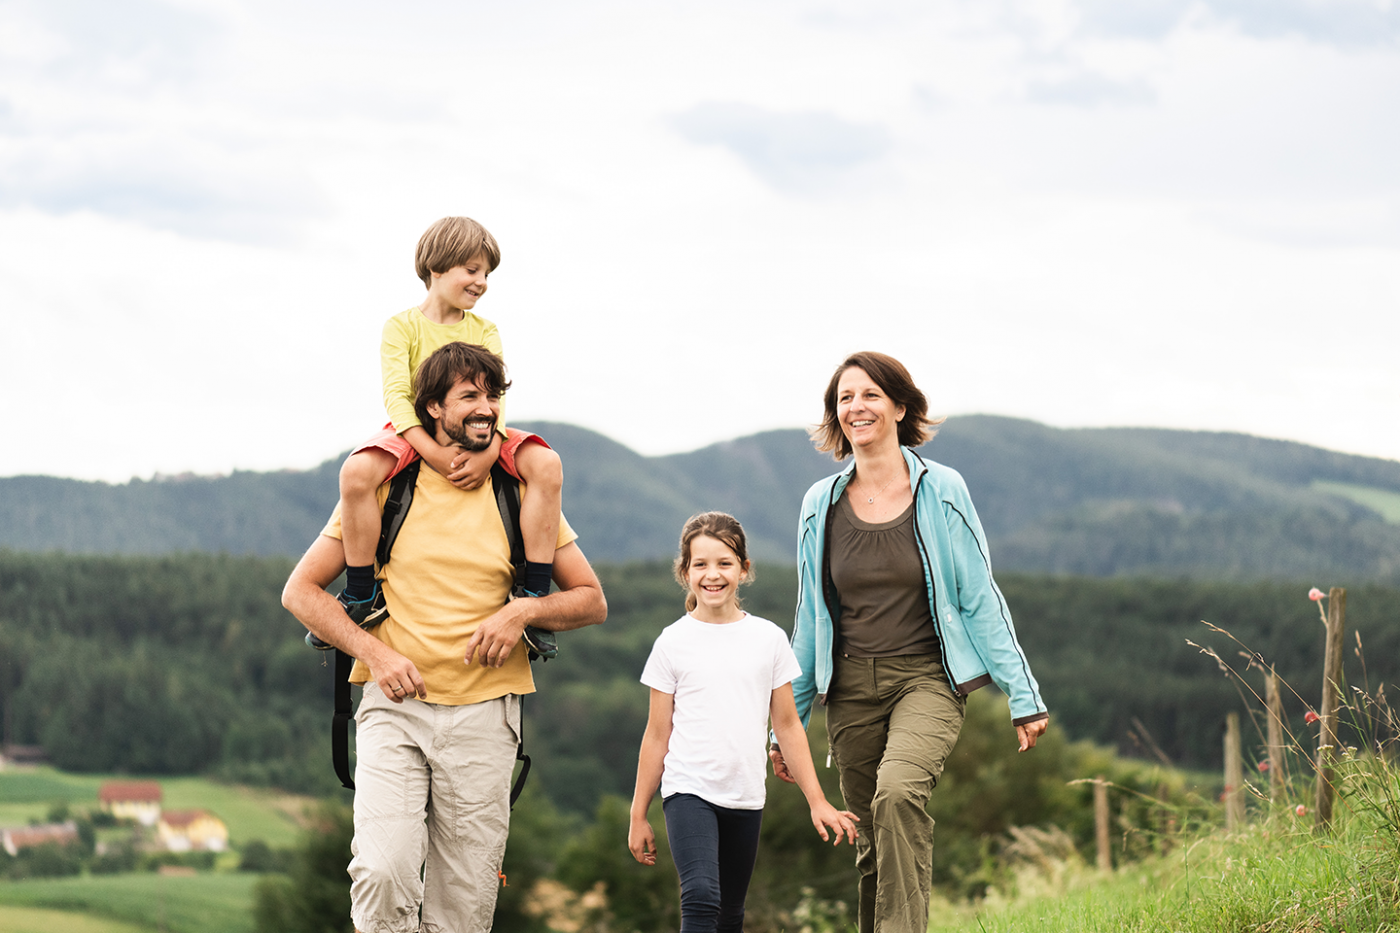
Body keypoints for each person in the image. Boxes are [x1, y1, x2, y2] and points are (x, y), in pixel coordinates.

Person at [283, 341, 607, 933]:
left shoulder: (518, 493)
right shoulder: (390, 488)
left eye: (493, 396)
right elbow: (300, 593)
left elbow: (591, 600)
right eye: (470, 396)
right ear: (432, 408)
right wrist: (374, 653)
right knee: (381, 874)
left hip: (487, 716)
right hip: (394, 711)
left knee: (464, 902)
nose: (486, 408)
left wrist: (520, 615)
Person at [770, 351, 1049, 933]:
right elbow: (809, 619)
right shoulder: (818, 504)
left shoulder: (941, 488)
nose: (857, 407)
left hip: (926, 679)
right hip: (848, 690)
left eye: (870, 395)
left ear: (899, 406)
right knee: (872, 839)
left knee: (897, 796)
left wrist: (1023, 695)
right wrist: (785, 727)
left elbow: (978, 596)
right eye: (845, 398)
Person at [337, 216, 565, 652]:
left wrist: (488, 451)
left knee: (547, 465)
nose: (481, 282)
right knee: (356, 474)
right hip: (414, 431)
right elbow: (398, 397)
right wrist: (432, 453)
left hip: (482, 429)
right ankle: (362, 590)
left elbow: (493, 398)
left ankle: (535, 592)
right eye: (472, 270)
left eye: (486, 274)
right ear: (437, 268)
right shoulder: (401, 326)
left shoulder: (485, 331)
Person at [628, 511, 858, 933]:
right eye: (700, 564)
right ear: (685, 571)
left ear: (743, 570)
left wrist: (817, 800)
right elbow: (656, 735)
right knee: (701, 897)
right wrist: (638, 813)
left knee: (731, 913)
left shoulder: (767, 639)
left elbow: (787, 726)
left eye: (724, 563)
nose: (712, 575)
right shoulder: (672, 642)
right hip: (688, 790)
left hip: (746, 796)